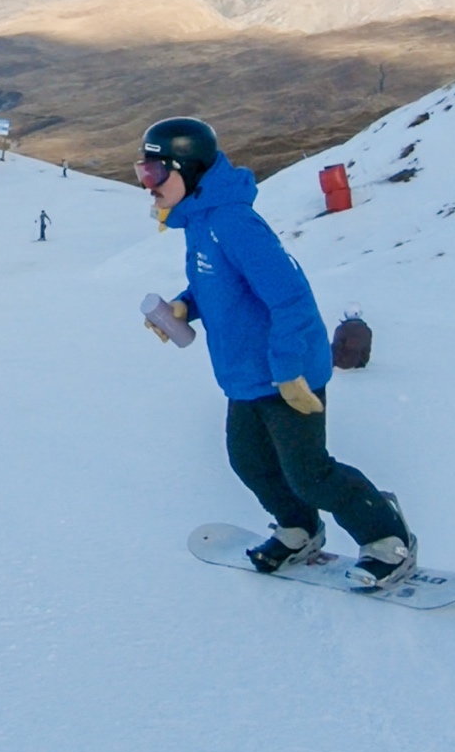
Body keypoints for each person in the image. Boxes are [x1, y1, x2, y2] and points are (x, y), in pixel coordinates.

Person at [136, 117, 417, 590]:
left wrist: (289, 372)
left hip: (290, 372)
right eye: (143, 174)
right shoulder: (201, 222)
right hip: (246, 375)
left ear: (188, 170)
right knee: (250, 462)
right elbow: (222, 286)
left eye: (156, 174)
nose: (149, 187)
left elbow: (290, 298)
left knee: (310, 473)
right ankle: (299, 529)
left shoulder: (234, 223)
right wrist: (186, 305)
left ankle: (388, 539)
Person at [332, 305, 373, 369]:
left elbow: (337, 346)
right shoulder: (367, 329)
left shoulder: (342, 329)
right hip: (361, 363)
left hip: (343, 363)